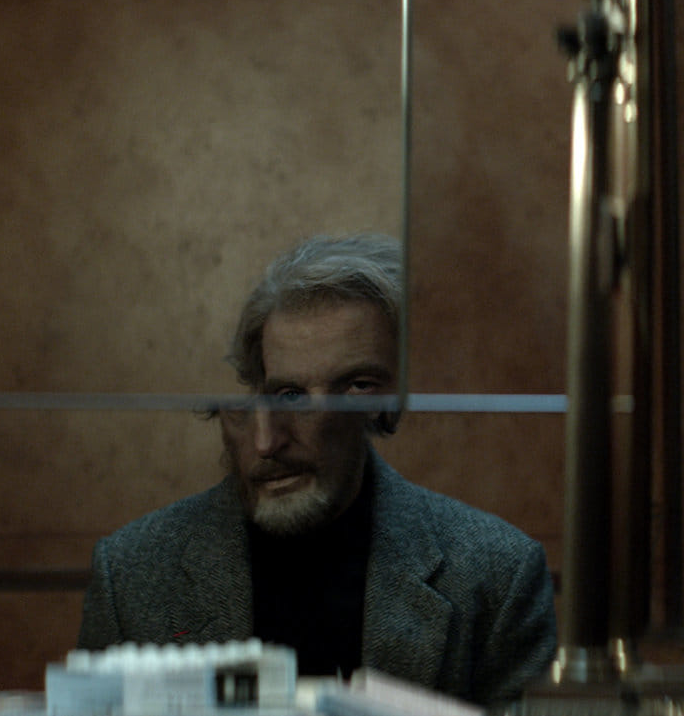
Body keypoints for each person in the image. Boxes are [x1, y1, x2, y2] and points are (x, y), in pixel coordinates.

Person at [78, 234, 558, 706]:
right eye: (287, 394)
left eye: (353, 387)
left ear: (385, 399)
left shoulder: (496, 574)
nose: (271, 442)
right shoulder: (133, 570)